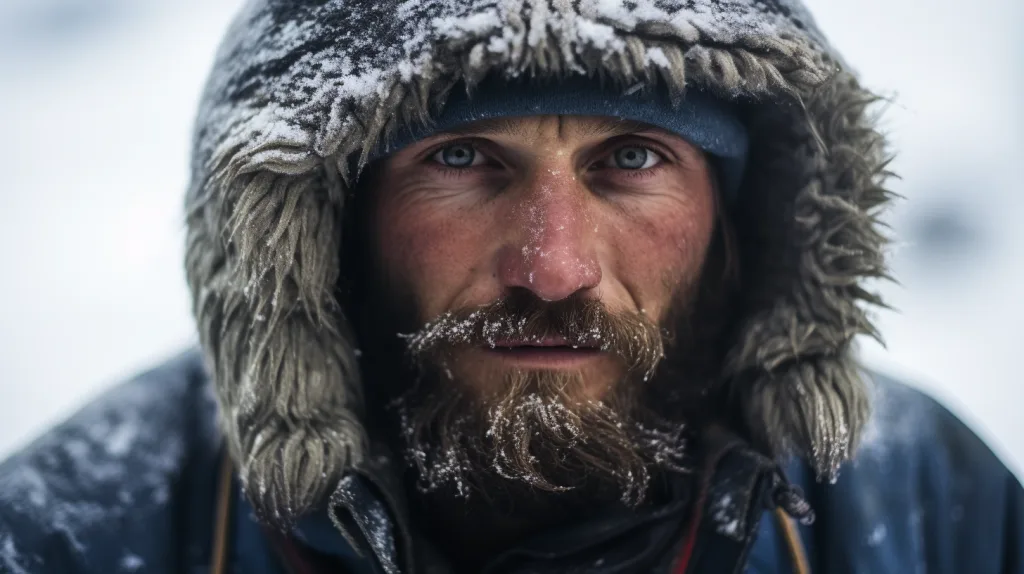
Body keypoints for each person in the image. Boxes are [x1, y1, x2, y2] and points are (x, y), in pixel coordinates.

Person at [1, 0, 1021, 572]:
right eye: (460, 160)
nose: (552, 267)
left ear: (742, 219)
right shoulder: (79, 534)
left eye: (630, 159)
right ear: (321, 224)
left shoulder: (928, 511)